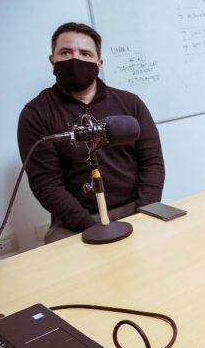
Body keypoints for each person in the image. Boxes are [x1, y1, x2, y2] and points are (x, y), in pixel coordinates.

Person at [17, 22, 165, 244]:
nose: (75, 59)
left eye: (85, 53)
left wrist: (144, 212)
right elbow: (46, 184)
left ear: (98, 62)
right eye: (65, 52)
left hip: (136, 207)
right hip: (75, 221)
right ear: (52, 60)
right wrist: (91, 228)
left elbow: (152, 163)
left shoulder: (130, 103)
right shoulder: (36, 114)